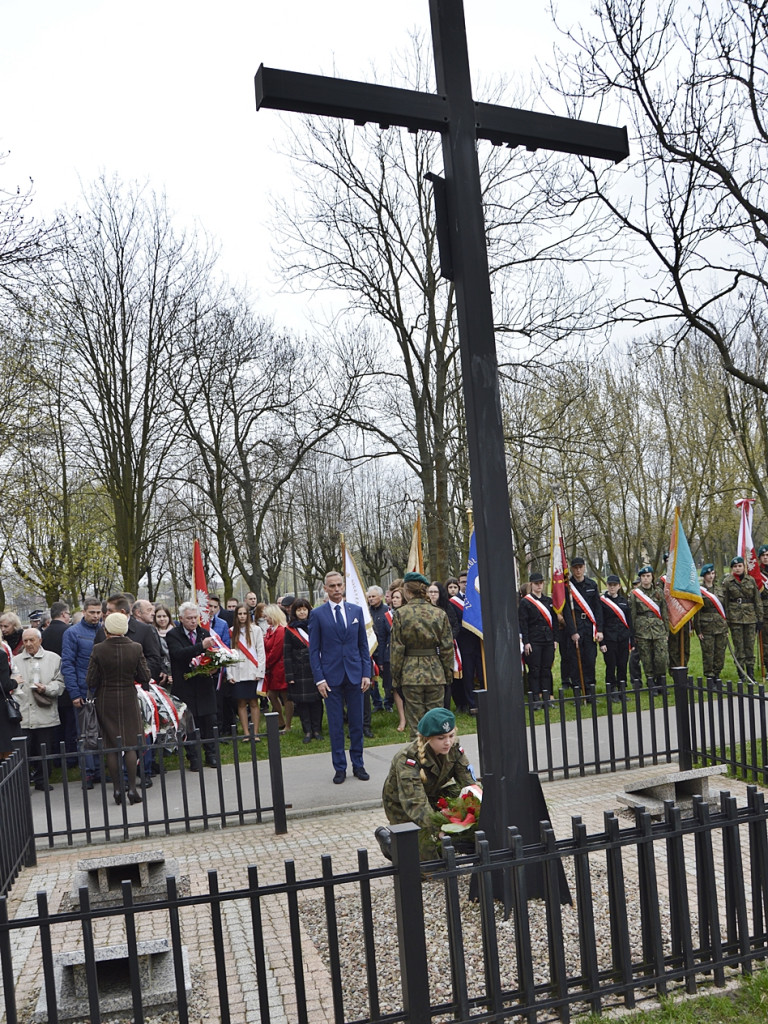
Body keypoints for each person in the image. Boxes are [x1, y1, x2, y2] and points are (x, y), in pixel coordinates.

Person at [376, 707, 477, 861]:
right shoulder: (407, 759)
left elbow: (471, 787)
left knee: (460, 796)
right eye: (441, 738)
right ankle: (389, 844)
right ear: (427, 738)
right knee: (427, 865)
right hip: (402, 805)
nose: (448, 742)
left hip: (432, 795)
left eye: (451, 735)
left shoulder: (454, 748)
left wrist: (474, 821)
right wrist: (439, 831)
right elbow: (416, 804)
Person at [308, 570, 371, 784]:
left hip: (355, 675)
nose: (336, 589)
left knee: (356, 723)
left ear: (343, 587)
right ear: (325, 588)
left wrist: (366, 673)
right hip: (331, 677)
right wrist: (319, 679)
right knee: (335, 726)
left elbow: (363, 645)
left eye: (339, 585)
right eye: (332, 586)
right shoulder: (317, 614)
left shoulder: (356, 611)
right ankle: (340, 767)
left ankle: (359, 764)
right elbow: (313, 650)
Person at [85, 612, 151, 805]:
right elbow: (145, 676)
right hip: (128, 697)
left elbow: (91, 680)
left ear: (106, 630)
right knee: (130, 744)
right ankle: (132, 789)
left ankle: (116, 789)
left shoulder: (98, 649)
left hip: (105, 698)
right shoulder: (136, 648)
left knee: (111, 746)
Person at [390, 572, 454, 737]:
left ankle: (419, 758)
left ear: (407, 591)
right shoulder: (439, 613)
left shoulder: (400, 614)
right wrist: (447, 674)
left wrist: (396, 677)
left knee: (417, 725)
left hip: (410, 673)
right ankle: (438, 758)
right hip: (435, 672)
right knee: (436, 722)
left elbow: (397, 649)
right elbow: (447, 648)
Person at [166, 602, 221, 770]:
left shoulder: (204, 633)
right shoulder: (173, 635)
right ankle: (194, 757)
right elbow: (179, 654)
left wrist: (214, 668)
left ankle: (211, 755)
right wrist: (201, 646)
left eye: (195, 618)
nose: (192, 621)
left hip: (204, 686)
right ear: (181, 619)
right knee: (190, 724)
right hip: (185, 687)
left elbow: (212, 655)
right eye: (189, 618)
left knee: (209, 722)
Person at [15, 628, 66, 790]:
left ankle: (42, 780)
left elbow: (60, 684)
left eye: (32, 640)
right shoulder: (15, 661)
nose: (28, 644)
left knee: (44, 750)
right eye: (25, 641)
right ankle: (22, 783)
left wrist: (46, 688)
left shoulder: (54, 659)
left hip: (45, 713)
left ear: (40, 640)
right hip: (23, 714)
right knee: (23, 752)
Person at [61, 596, 103, 787]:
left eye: (98, 612)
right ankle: (87, 773)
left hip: (103, 689)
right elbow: (67, 664)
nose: (96, 616)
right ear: (84, 612)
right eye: (92, 612)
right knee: (85, 734)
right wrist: (74, 693)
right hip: (83, 689)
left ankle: (101, 770)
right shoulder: (72, 633)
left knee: (102, 732)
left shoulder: (105, 630)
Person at [284, 598, 323, 742]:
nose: (302, 612)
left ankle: (317, 729)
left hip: (315, 669)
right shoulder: (290, 629)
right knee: (302, 703)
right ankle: (307, 731)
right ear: (295, 612)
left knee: (316, 701)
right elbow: (286, 654)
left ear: (309, 610)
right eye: (299, 609)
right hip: (298, 671)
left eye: (304, 609)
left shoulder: (315, 625)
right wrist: (290, 676)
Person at [562, 557, 603, 691]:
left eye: (580, 567)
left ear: (584, 567)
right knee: (575, 660)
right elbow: (567, 611)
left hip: (589, 627)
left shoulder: (592, 585)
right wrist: (573, 632)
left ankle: (590, 690)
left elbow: (598, 608)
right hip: (576, 625)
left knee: (590, 659)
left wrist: (600, 629)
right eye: (575, 568)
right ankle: (578, 691)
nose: (578, 570)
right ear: (572, 569)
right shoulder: (567, 587)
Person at [227, 602, 266, 741]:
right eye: (239, 614)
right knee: (241, 703)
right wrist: (229, 673)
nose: (242, 616)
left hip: (252, 671)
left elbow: (261, 652)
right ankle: (245, 733)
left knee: (254, 702)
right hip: (238, 672)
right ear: (236, 616)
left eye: (245, 613)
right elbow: (228, 654)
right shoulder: (231, 631)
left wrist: (260, 671)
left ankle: (255, 733)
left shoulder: (256, 630)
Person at [518, 572, 556, 708]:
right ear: (531, 585)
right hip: (534, 639)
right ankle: (535, 699)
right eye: (536, 583)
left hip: (548, 639)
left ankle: (546, 697)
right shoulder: (525, 602)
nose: (539, 585)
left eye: (541, 583)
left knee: (546, 669)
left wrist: (555, 639)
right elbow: (523, 623)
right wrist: (526, 642)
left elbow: (555, 622)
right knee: (534, 669)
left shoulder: (548, 601)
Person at [722, 555, 763, 682]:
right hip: (735, 619)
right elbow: (725, 603)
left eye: (740, 566)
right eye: (735, 567)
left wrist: (759, 618)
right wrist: (726, 620)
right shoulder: (728, 582)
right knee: (739, 647)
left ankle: (750, 673)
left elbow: (757, 600)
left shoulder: (750, 580)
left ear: (744, 567)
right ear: (732, 568)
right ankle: (741, 674)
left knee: (750, 646)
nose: (738, 569)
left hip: (750, 617)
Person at [629, 566, 668, 694]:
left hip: (658, 629)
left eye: (648, 576)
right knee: (646, 658)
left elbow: (664, 612)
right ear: (640, 578)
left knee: (661, 657)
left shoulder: (659, 592)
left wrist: (666, 631)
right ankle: (651, 684)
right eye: (643, 576)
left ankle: (661, 682)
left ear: (652, 577)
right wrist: (634, 634)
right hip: (642, 630)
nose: (646, 579)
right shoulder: (634, 594)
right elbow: (633, 615)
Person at [600, 575, 632, 701]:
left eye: (615, 585)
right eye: (610, 585)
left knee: (622, 664)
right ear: (607, 586)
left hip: (623, 638)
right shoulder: (602, 602)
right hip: (609, 638)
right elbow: (600, 621)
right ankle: (611, 690)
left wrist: (632, 640)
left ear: (619, 586)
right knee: (611, 665)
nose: (612, 587)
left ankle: (622, 689)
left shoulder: (624, 601)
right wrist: (601, 642)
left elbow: (629, 621)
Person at [694, 564, 728, 681]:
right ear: (704, 576)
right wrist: (698, 630)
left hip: (720, 625)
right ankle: (709, 676)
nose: (711, 576)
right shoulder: (699, 591)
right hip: (706, 625)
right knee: (708, 653)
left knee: (720, 652)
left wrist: (726, 627)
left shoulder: (720, 589)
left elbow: (725, 608)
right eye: (708, 574)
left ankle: (717, 675)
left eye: (712, 573)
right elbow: (697, 612)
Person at [264, 604, 292, 732]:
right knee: (272, 695)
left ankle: (288, 724)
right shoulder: (270, 630)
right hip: (272, 669)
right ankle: (280, 720)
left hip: (280, 668)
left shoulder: (281, 630)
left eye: (267, 616)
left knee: (286, 696)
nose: (266, 619)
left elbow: (276, 650)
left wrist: (265, 664)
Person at [366, 586, 393, 712]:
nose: (371, 599)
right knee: (372, 679)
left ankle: (388, 703)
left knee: (387, 680)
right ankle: (377, 703)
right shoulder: (366, 612)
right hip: (370, 652)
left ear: (380, 597)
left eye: (373, 596)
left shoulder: (387, 611)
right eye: (369, 596)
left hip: (384, 649)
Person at [389, 586, 408, 731]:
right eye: (393, 597)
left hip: (406, 656)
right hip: (390, 655)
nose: (394, 600)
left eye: (397, 597)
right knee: (396, 687)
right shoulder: (387, 615)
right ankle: (402, 719)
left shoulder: (407, 614)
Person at [0, 645, 17, 762]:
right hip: (1, 708)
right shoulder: (1, 655)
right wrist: (15, 682)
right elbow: (5, 684)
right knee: (7, 748)